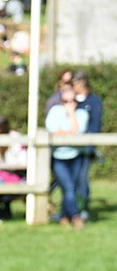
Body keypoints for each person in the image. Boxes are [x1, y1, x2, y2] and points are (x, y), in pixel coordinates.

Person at [47, 85, 88, 229]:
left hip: (76, 156)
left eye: (72, 101)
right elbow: (52, 130)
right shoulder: (55, 111)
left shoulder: (82, 114)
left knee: (70, 189)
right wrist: (68, 132)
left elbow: (77, 132)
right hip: (59, 156)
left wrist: (71, 115)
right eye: (66, 101)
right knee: (68, 187)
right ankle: (76, 216)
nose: (69, 104)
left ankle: (64, 216)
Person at [71, 71, 103, 220]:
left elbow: (95, 125)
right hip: (67, 148)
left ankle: (82, 208)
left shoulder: (93, 101)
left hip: (85, 148)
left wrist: (91, 147)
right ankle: (69, 209)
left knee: (81, 180)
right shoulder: (70, 100)